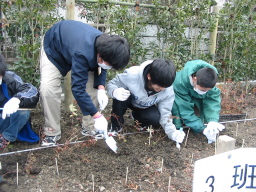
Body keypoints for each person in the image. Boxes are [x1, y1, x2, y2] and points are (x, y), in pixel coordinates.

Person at [40, 20, 130, 146]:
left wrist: (100, 87)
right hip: (55, 47)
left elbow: (102, 68)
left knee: (93, 89)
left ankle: (89, 127)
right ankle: (52, 132)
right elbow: (78, 88)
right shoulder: (82, 52)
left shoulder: (106, 45)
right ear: (100, 55)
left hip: (78, 49)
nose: (109, 67)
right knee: (48, 88)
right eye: (109, 64)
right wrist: (98, 116)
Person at [106, 59, 185, 144]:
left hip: (144, 105)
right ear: (149, 76)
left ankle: (136, 117)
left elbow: (165, 113)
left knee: (154, 117)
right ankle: (116, 126)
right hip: (127, 98)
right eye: (159, 86)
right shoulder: (132, 75)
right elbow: (111, 84)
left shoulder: (167, 90)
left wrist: (172, 132)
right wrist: (114, 91)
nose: (162, 89)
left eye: (165, 87)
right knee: (119, 99)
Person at [171, 59, 225, 143]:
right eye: (203, 90)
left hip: (193, 98)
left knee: (200, 118)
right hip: (176, 101)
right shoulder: (179, 83)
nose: (205, 92)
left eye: (207, 90)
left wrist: (212, 120)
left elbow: (212, 101)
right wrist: (202, 129)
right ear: (194, 79)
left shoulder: (209, 79)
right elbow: (184, 110)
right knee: (178, 114)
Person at [0, 53, 39, 149]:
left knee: (22, 111)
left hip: (7, 121)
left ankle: (5, 138)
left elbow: (31, 90)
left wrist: (17, 99)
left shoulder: (10, 79)